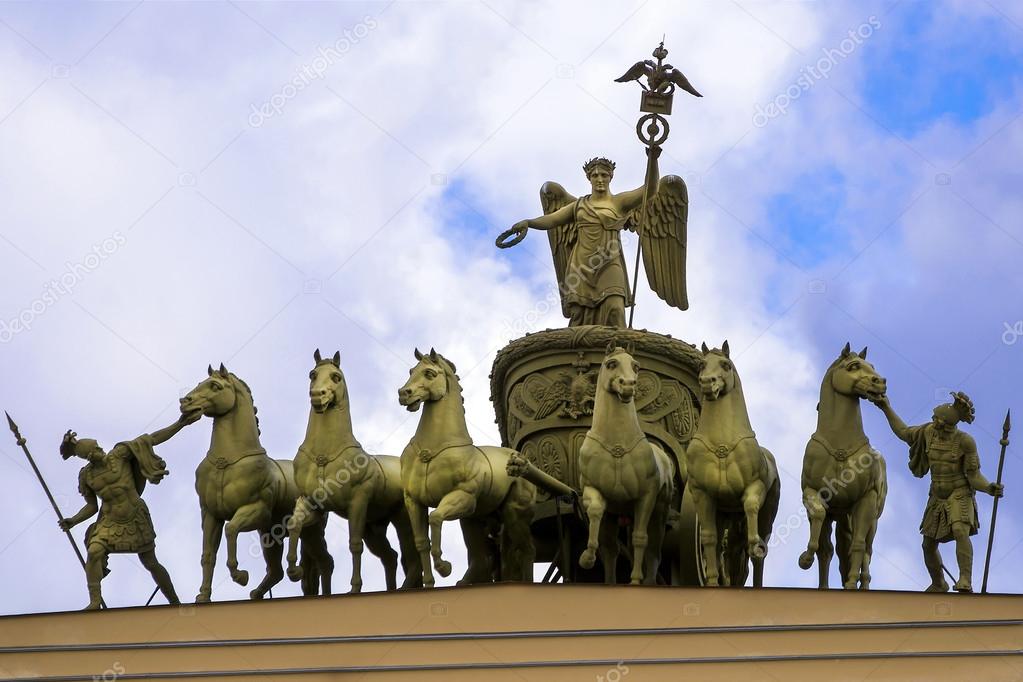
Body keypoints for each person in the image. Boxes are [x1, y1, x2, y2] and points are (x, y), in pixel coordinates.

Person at [58, 413, 198, 609]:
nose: (96, 454)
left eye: (96, 449)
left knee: (150, 562)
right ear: (86, 458)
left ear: (100, 447)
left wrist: (180, 424)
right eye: (90, 455)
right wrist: (73, 520)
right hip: (109, 521)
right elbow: (92, 506)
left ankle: (174, 602)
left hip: (135, 515)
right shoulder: (87, 476)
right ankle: (95, 601)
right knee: (94, 551)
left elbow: (152, 439)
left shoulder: (120, 454)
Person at [872, 391, 1004, 592]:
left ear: (947, 424)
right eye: (933, 419)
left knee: (961, 531)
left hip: (959, 492)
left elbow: (973, 475)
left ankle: (965, 579)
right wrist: (886, 407)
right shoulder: (927, 432)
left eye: (937, 421)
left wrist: (988, 487)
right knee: (928, 545)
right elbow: (904, 432)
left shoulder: (965, 441)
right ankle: (938, 582)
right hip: (936, 494)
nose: (934, 423)